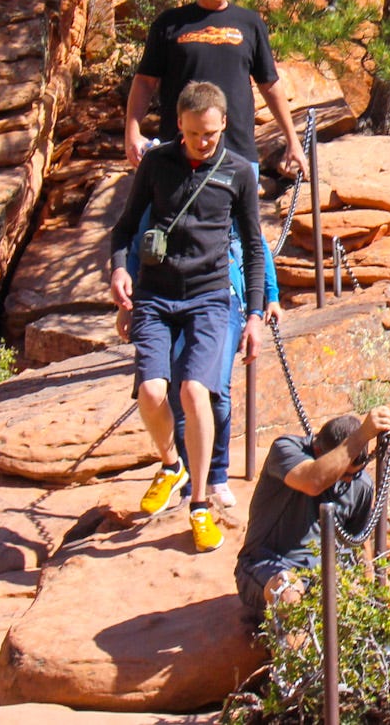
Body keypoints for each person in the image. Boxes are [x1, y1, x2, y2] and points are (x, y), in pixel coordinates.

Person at [126, 0, 302, 513]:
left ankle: (258, 305)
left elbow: (271, 86)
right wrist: (132, 128)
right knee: (155, 228)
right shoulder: (171, 24)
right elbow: (145, 81)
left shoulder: (249, 24)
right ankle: (139, 307)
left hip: (239, 155)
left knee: (241, 240)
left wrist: (293, 139)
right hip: (176, 154)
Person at [109, 81, 268, 553]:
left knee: (196, 390)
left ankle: (199, 504)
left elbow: (255, 247)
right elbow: (124, 228)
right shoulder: (157, 165)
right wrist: (120, 273)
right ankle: (170, 461)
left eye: (213, 134)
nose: (204, 141)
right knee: (152, 392)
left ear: (224, 127)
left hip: (210, 297)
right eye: (197, 133)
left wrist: (255, 313)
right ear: (179, 124)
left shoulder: (237, 172)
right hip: (156, 297)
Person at [235, 407, 390, 615]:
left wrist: (368, 594)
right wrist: (362, 434)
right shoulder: (287, 450)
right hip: (269, 567)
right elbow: (313, 481)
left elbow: (359, 542)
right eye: (342, 475)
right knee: (288, 592)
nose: (346, 483)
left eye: (353, 476)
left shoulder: (361, 485)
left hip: (327, 576)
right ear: (320, 452)